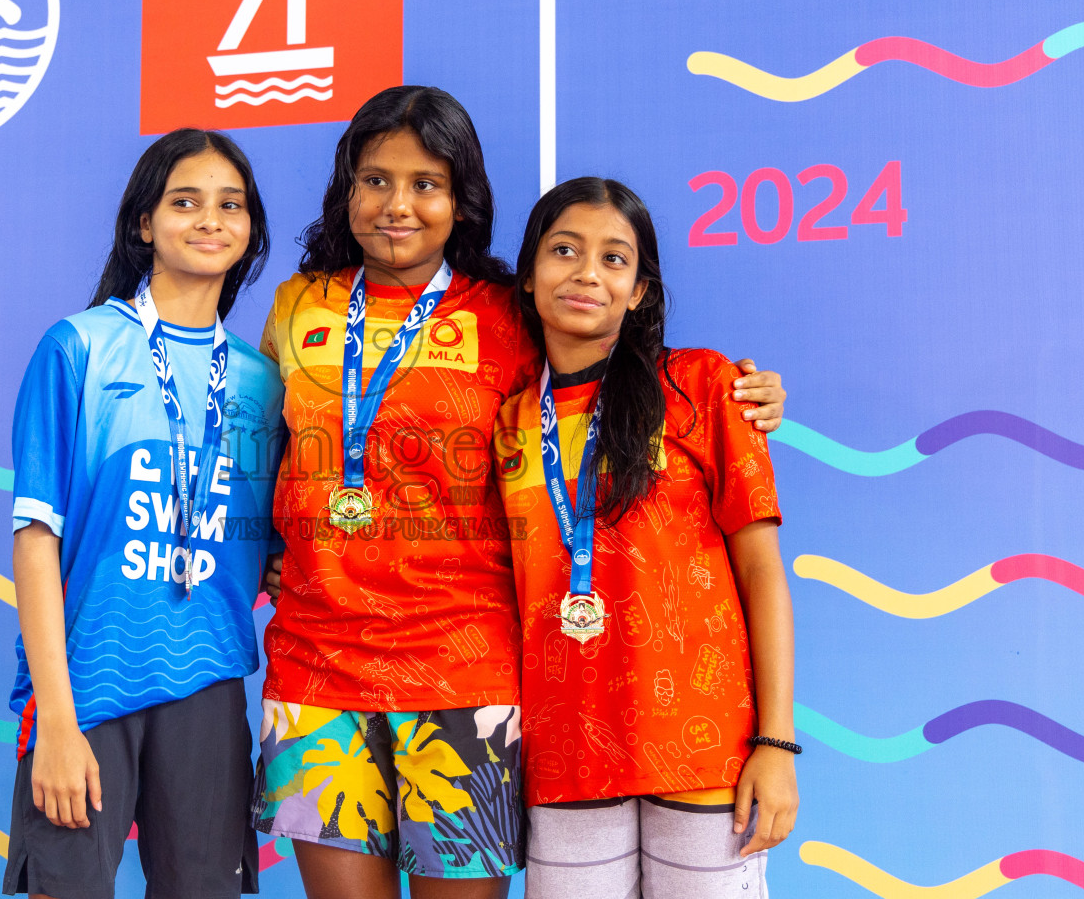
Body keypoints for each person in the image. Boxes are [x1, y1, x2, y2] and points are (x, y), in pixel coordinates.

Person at [252, 86, 787, 899]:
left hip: (466, 669)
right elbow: (268, 456)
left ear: (461, 199)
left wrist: (749, 394)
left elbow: (604, 366)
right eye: (375, 180)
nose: (399, 204)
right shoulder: (295, 305)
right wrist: (265, 552)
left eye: (426, 183)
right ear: (346, 189)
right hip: (315, 667)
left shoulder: (510, 309)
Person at [494, 177, 799, 899]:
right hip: (564, 751)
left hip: (704, 749)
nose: (586, 273)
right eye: (564, 250)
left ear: (639, 292)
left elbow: (761, 573)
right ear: (531, 270)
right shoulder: (506, 421)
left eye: (614, 259)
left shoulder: (704, 386)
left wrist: (777, 743)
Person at [2, 129, 284, 899]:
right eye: (184, 201)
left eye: (231, 205)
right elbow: (35, 542)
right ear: (142, 224)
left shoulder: (264, 383)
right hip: (88, 681)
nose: (209, 220)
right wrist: (55, 718)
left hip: (209, 680)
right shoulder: (80, 349)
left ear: (250, 227)